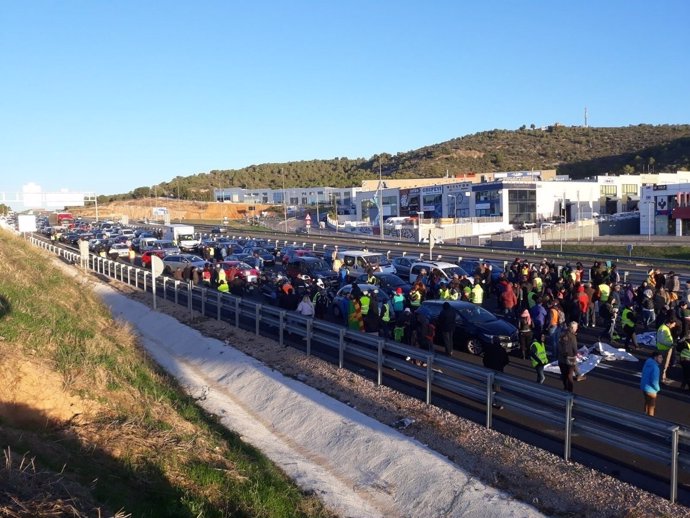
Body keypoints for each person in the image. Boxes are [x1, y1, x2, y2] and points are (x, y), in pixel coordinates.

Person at [557, 321, 581, 392]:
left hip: (561, 358)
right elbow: (574, 348)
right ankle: (570, 391)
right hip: (570, 357)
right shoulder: (572, 336)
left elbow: (558, 344)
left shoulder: (562, 334)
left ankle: (565, 387)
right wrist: (577, 354)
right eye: (576, 328)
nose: (576, 329)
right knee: (569, 375)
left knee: (564, 374)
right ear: (573, 328)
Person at [640, 350, 663, 416]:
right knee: (651, 407)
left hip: (644, 387)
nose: (662, 359)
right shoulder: (655, 368)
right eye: (660, 357)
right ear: (655, 358)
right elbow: (654, 381)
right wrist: (658, 389)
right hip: (651, 390)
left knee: (647, 403)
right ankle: (650, 421)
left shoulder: (647, 362)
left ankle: (644, 417)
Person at [656, 317, 676, 384]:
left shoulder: (666, 328)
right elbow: (660, 340)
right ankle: (661, 379)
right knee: (663, 365)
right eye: (673, 324)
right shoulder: (662, 329)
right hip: (663, 349)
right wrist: (670, 344)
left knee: (665, 364)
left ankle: (663, 377)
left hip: (667, 348)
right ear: (669, 323)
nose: (674, 326)